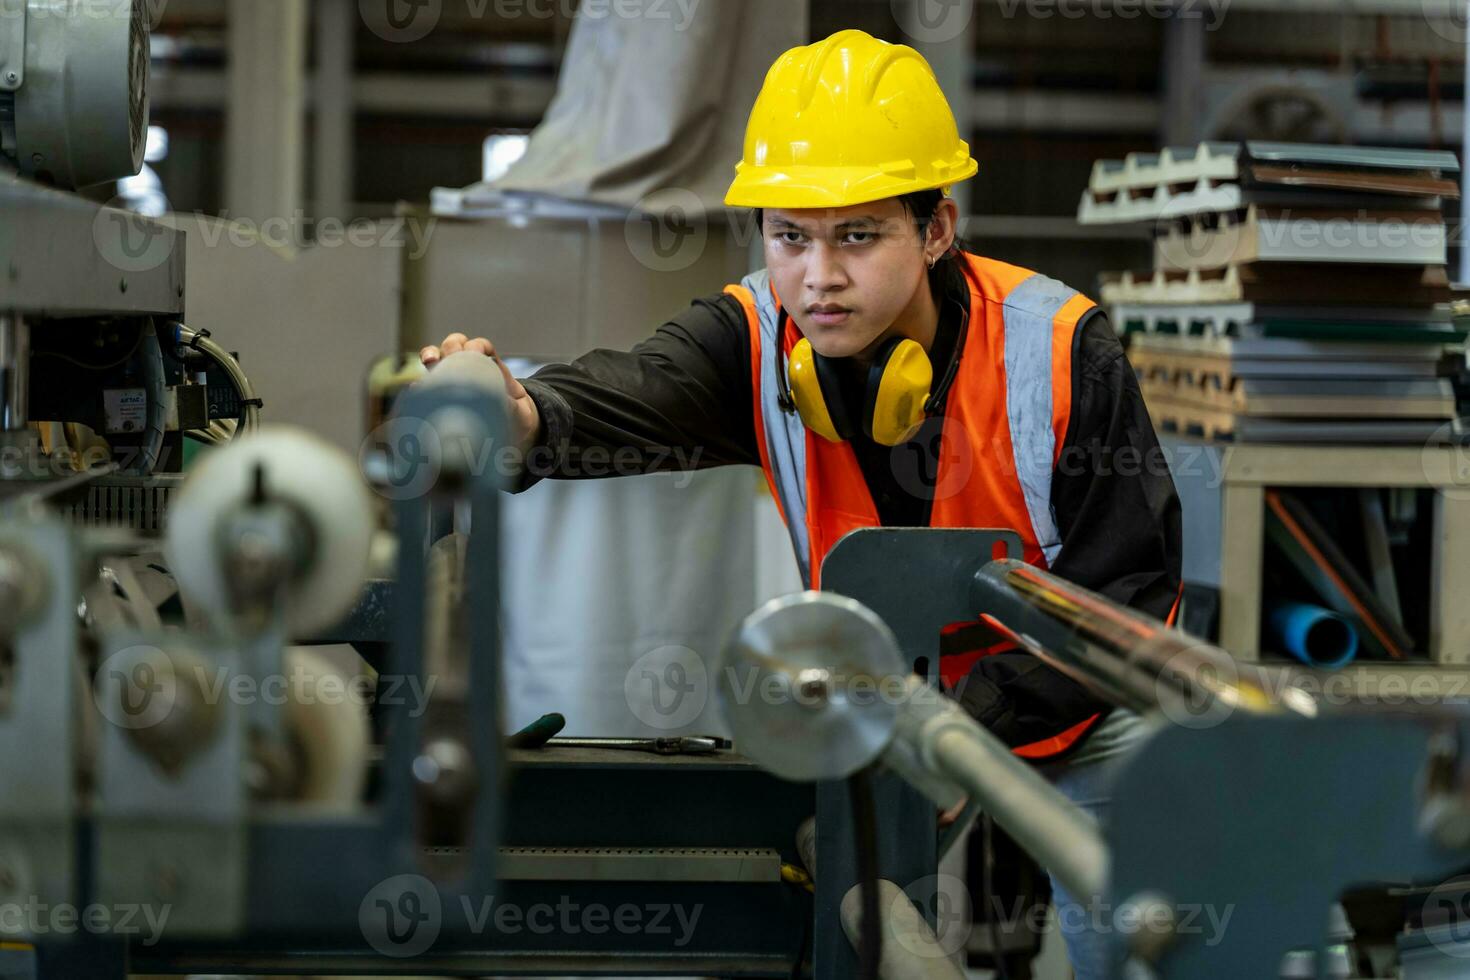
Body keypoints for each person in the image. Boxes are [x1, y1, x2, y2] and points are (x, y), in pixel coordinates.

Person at [422, 28, 1182, 978]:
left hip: (1078, 698)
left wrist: (959, 727)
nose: (818, 277)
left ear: (936, 228)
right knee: (861, 923)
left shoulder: (1062, 349)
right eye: (791, 237)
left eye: (858, 235)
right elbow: (633, 392)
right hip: (894, 699)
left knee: (1144, 935)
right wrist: (522, 411)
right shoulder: (755, 337)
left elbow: (1130, 595)